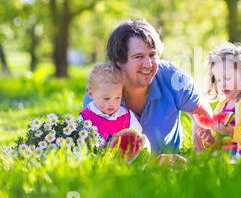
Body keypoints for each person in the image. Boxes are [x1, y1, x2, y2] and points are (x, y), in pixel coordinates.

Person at [83, 19, 213, 155]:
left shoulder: (173, 78)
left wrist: (200, 150)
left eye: (152, 55)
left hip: (168, 166)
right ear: (119, 61)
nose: (149, 64)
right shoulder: (101, 91)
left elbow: (202, 114)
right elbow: (91, 148)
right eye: (139, 57)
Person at [202, 43, 241, 161]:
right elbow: (220, 142)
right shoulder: (222, 105)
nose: (223, 84)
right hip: (224, 161)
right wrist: (210, 140)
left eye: (227, 78)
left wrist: (231, 131)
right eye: (218, 80)